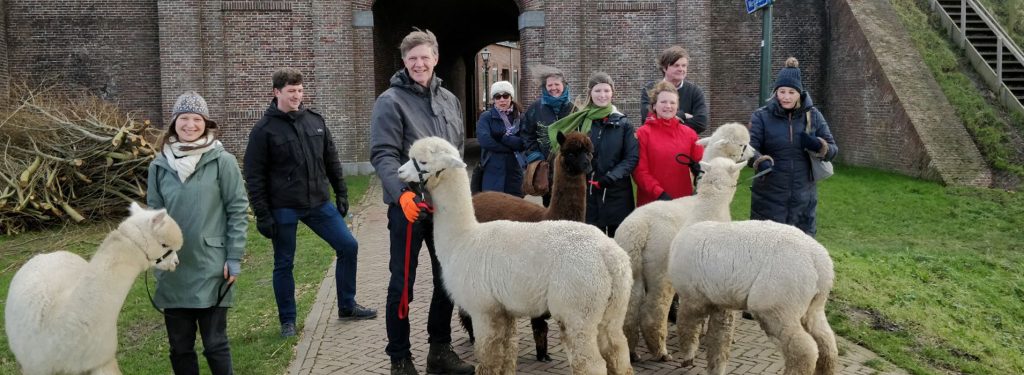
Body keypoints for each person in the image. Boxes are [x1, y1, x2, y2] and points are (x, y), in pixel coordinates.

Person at [368, 29, 475, 375]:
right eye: (412, 58)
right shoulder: (390, 102)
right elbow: (383, 155)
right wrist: (401, 196)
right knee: (402, 284)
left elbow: (456, 152)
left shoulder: (449, 100)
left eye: (424, 57)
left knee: (448, 279)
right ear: (404, 62)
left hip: (445, 210)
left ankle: (439, 349)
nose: (419, 63)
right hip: (409, 208)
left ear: (435, 58)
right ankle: (399, 357)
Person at [244, 68, 376, 339]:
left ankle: (347, 305)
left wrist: (341, 193)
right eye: (291, 91)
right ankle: (288, 321)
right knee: (284, 263)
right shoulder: (263, 131)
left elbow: (331, 160)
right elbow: (253, 176)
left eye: (300, 91)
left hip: (318, 202)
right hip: (283, 207)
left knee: (348, 246)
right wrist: (262, 214)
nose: (296, 96)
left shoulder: (314, 121)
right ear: (276, 92)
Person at [147, 91, 249, 375]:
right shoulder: (158, 165)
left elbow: (238, 211)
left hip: (212, 266)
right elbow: (154, 217)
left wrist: (235, 257)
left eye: (196, 118)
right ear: (174, 122)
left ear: (205, 123)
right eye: (184, 118)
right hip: (174, 269)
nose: (190, 124)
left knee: (215, 344)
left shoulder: (222, 161)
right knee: (180, 348)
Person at [748, 57, 838, 237]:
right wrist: (760, 161)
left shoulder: (813, 115)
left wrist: (818, 145)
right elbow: (748, 148)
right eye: (782, 91)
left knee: (801, 255)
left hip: (803, 201)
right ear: (775, 92)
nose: (786, 97)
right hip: (768, 198)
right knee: (766, 252)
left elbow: (833, 150)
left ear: (800, 93)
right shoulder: (761, 117)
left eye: (791, 92)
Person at [547, 72, 639, 237]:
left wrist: (612, 176)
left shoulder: (623, 124)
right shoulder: (578, 121)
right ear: (590, 93)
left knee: (616, 242)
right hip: (586, 192)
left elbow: (631, 158)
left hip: (616, 193)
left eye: (606, 91)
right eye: (598, 91)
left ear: (612, 93)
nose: (602, 95)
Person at [633, 80, 704, 207]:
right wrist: (659, 194)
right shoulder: (643, 133)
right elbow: (640, 171)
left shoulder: (690, 134)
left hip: (683, 202)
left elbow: (702, 163)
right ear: (654, 105)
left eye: (672, 102)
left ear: (677, 106)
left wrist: (699, 169)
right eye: (663, 102)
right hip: (652, 203)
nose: (668, 106)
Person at [522, 65, 575, 205]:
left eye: (557, 84)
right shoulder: (535, 108)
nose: (553, 88)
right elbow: (526, 133)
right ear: (545, 87)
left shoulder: (574, 109)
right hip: (547, 166)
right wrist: (534, 154)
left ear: (564, 85)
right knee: (550, 205)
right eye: (549, 85)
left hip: (570, 167)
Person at [640, 45, 709, 134]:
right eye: (676, 65)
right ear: (664, 68)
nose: (681, 69)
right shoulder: (649, 89)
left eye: (684, 66)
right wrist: (682, 115)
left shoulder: (695, 92)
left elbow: (701, 123)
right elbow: (647, 118)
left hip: (684, 145)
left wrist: (665, 122)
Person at [477, 80, 527, 196]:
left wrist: (503, 138)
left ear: (511, 97)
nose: (502, 100)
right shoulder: (486, 117)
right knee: (493, 207)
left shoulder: (521, 117)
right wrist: (510, 148)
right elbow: (485, 141)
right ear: (493, 99)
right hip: (492, 170)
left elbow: (523, 142)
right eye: (498, 97)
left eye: (505, 95)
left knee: (515, 208)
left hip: (514, 170)